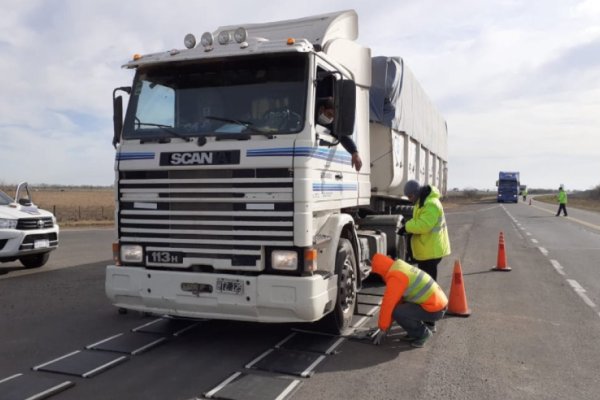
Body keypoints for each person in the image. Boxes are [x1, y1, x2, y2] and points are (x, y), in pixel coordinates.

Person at [370, 253, 448, 348]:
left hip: (435, 309)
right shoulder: (399, 266)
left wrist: (383, 327)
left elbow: (388, 304)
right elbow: (397, 301)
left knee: (398, 312)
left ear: (380, 270)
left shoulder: (396, 277)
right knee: (400, 309)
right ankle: (414, 332)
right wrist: (387, 325)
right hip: (437, 304)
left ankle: (423, 334)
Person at [398, 179, 451, 282]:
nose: (409, 199)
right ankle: (428, 298)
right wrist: (407, 227)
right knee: (425, 282)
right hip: (427, 250)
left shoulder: (431, 204)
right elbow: (418, 221)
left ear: (416, 193)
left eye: (410, 196)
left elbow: (424, 225)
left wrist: (407, 227)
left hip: (431, 251)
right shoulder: (421, 202)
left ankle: (433, 298)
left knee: (429, 283)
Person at [316, 98, 362, 171]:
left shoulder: (332, 124)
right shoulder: (308, 110)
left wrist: (354, 152)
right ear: (322, 109)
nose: (330, 118)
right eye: (329, 114)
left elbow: (343, 136)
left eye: (333, 117)